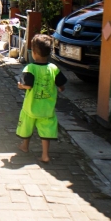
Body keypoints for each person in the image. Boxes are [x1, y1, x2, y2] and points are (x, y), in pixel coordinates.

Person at [16, 34, 67, 163]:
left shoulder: (30, 68)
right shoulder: (53, 68)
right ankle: (45, 154)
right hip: (47, 108)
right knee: (46, 130)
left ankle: (25, 146)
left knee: (27, 126)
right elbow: (61, 85)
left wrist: (20, 86)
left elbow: (27, 85)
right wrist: (60, 88)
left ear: (33, 53)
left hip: (31, 107)